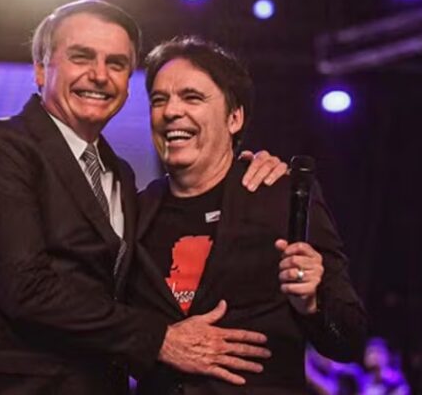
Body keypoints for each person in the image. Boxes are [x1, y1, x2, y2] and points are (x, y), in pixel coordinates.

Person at [0, 0, 287, 395]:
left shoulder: (120, 175)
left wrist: (242, 170)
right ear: (41, 69)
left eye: (117, 64)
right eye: (81, 57)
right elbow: (26, 289)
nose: (100, 75)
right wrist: (161, 339)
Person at [127, 36, 368, 394]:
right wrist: (157, 341)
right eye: (159, 100)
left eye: (192, 97)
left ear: (234, 117)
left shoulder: (282, 198)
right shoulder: (133, 212)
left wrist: (312, 302)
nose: (171, 111)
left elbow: (348, 340)